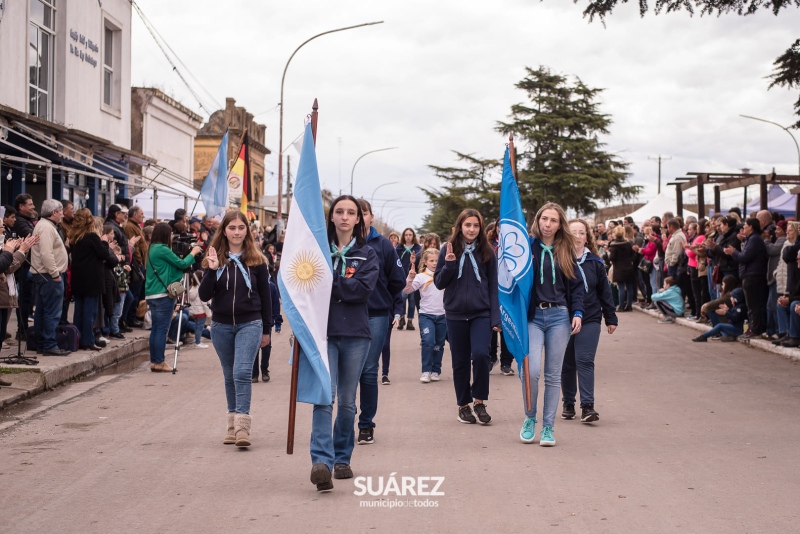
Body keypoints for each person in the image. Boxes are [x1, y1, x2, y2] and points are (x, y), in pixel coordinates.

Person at [309, 195, 378, 492]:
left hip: (355, 335)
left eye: (352, 212)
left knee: (348, 403)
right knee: (324, 397)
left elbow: (361, 291)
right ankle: (321, 462)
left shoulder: (368, 254)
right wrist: (336, 285)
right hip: (322, 333)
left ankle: (341, 458)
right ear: (332, 217)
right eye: (340, 211)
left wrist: (328, 283)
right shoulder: (315, 251)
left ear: (359, 220)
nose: (346, 217)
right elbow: (305, 286)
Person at [200, 210, 273, 448]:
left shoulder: (257, 260)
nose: (237, 232)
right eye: (232, 228)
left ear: (247, 232)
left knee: (242, 372)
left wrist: (267, 329)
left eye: (241, 228)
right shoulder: (214, 258)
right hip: (220, 325)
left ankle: (242, 426)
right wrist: (211, 270)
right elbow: (204, 294)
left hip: (250, 323)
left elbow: (266, 296)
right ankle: (231, 424)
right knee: (229, 374)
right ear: (224, 231)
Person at [517, 203, 584, 447]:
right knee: (531, 371)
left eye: (553, 220)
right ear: (538, 220)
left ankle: (548, 427)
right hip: (533, 317)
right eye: (544, 219)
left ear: (559, 224)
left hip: (559, 317)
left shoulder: (566, 248)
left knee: (553, 375)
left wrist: (577, 312)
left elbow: (576, 286)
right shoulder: (527, 247)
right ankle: (529, 418)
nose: (548, 224)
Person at [433, 208, 500, 426]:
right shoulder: (448, 249)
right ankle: (463, 406)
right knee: (460, 362)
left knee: (481, 355)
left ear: (480, 228)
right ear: (460, 226)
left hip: (481, 313)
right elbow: (439, 283)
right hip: (455, 314)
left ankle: (479, 402)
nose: (471, 229)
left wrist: (495, 318)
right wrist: (450, 264)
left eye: (475, 225)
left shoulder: (487, 251)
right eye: (467, 225)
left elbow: (493, 287)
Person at [356, 199, 405, 444]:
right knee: (347, 371)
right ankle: (346, 415)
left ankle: (366, 424)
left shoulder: (383, 244)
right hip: (346, 315)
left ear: (370, 217)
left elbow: (397, 280)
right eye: (355, 213)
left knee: (368, 369)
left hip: (375, 314)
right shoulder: (339, 243)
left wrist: (382, 296)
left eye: (363, 213)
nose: (358, 217)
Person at [562, 219, 617, 424]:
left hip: (590, 317)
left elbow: (605, 292)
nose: (577, 236)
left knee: (584, 359)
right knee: (567, 362)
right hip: (563, 318)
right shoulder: (560, 259)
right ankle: (568, 402)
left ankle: (587, 406)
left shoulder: (595, 262)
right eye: (573, 232)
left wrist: (610, 317)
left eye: (581, 232)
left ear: (587, 236)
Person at [145, 223, 203, 372]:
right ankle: (159, 362)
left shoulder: (152, 248)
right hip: (163, 294)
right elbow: (182, 264)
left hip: (152, 293)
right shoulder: (162, 249)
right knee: (162, 329)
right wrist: (194, 252)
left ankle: (155, 361)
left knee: (156, 329)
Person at [70, 209, 118, 351]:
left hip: (78, 277)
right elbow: (103, 254)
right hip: (92, 278)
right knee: (90, 311)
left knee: (79, 310)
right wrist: (104, 243)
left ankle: (76, 339)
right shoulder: (92, 236)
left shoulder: (74, 236)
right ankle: (88, 340)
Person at [30, 200, 70, 356]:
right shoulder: (46, 228)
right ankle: (49, 343)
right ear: (54, 212)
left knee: (42, 311)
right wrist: (55, 274)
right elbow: (46, 254)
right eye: (60, 211)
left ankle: (43, 343)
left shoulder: (45, 226)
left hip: (43, 275)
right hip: (49, 276)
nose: (62, 214)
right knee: (52, 312)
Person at [405, 247, 447, 383]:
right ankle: (426, 371)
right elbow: (407, 290)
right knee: (428, 342)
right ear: (425, 262)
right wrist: (410, 278)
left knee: (439, 344)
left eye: (437, 260)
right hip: (426, 315)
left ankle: (436, 370)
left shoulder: (444, 275)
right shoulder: (421, 276)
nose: (435, 263)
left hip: (442, 315)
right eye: (431, 260)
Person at [725, 217, 767, 339]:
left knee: (753, 304)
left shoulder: (754, 239)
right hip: (749, 275)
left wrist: (733, 252)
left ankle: (755, 329)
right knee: (752, 304)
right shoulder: (751, 239)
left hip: (753, 276)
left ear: (751, 227)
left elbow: (745, 257)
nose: (743, 228)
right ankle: (754, 328)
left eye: (745, 226)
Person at [0, 235, 37, 354]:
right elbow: (5, 266)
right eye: (1, 227)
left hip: (5, 294)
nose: (4, 230)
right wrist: (18, 251)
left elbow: (8, 264)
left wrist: (20, 250)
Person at [13, 194, 36, 338]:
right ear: (21, 207)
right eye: (30, 204)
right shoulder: (21, 222)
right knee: (24, 299)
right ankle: (22, 330)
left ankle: (23, 330)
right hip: (23, 267)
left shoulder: (27, 221)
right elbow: (34, 238)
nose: (33, 206)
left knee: (27, 298)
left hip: (28, 266)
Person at [693, 278, 745, 342]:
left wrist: (726, 313)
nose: (731, 298)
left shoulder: (740, 307)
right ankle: (727, 336)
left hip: (737, 329)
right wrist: (728, 309)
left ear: (737, 298)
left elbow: (735, 318)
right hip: (733, 326)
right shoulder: (736, 305)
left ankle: (704, 336)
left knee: (719, 326)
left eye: (732, 297)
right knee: (720, 328)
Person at [252, 275, 282, 382]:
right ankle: (254, 373)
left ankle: (264, 370)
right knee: (253, 347)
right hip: (253, 320)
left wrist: (278, 321)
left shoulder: (272, 287)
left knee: (266, 347)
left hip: (266, 321)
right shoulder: (251, 284)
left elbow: (275, 305)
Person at [123, 205, 148, 328]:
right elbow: (135, 247)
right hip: (136, 264)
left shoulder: (135, 226)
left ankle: (132, 317)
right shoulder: (130, 227)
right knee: (134, 292)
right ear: (134, 215)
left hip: (140, 263)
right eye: (141, 214)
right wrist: (139, 261)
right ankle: (129, 318)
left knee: (137, 293)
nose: (143, 216)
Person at [396, 228, 421, 330]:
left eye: (410, 235)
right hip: (402, 278)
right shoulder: (399, 248)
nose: (408, 237)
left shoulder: (418, 248)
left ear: (413, 236)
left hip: (414, 277)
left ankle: (410, 321)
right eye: (406, 235)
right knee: (402, 298)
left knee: (412, 300)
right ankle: (402, 318)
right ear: (403, 236)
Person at [607, 225, 637, 312]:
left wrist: (610, 256)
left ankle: (620, 306)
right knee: (629, 287)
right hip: (628, 267)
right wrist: (630, 261)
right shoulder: (628, 243)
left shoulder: (614, 245)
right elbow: (633, 254)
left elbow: (612, 258)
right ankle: (629, 305)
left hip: (618, 268)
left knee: (621, 287)